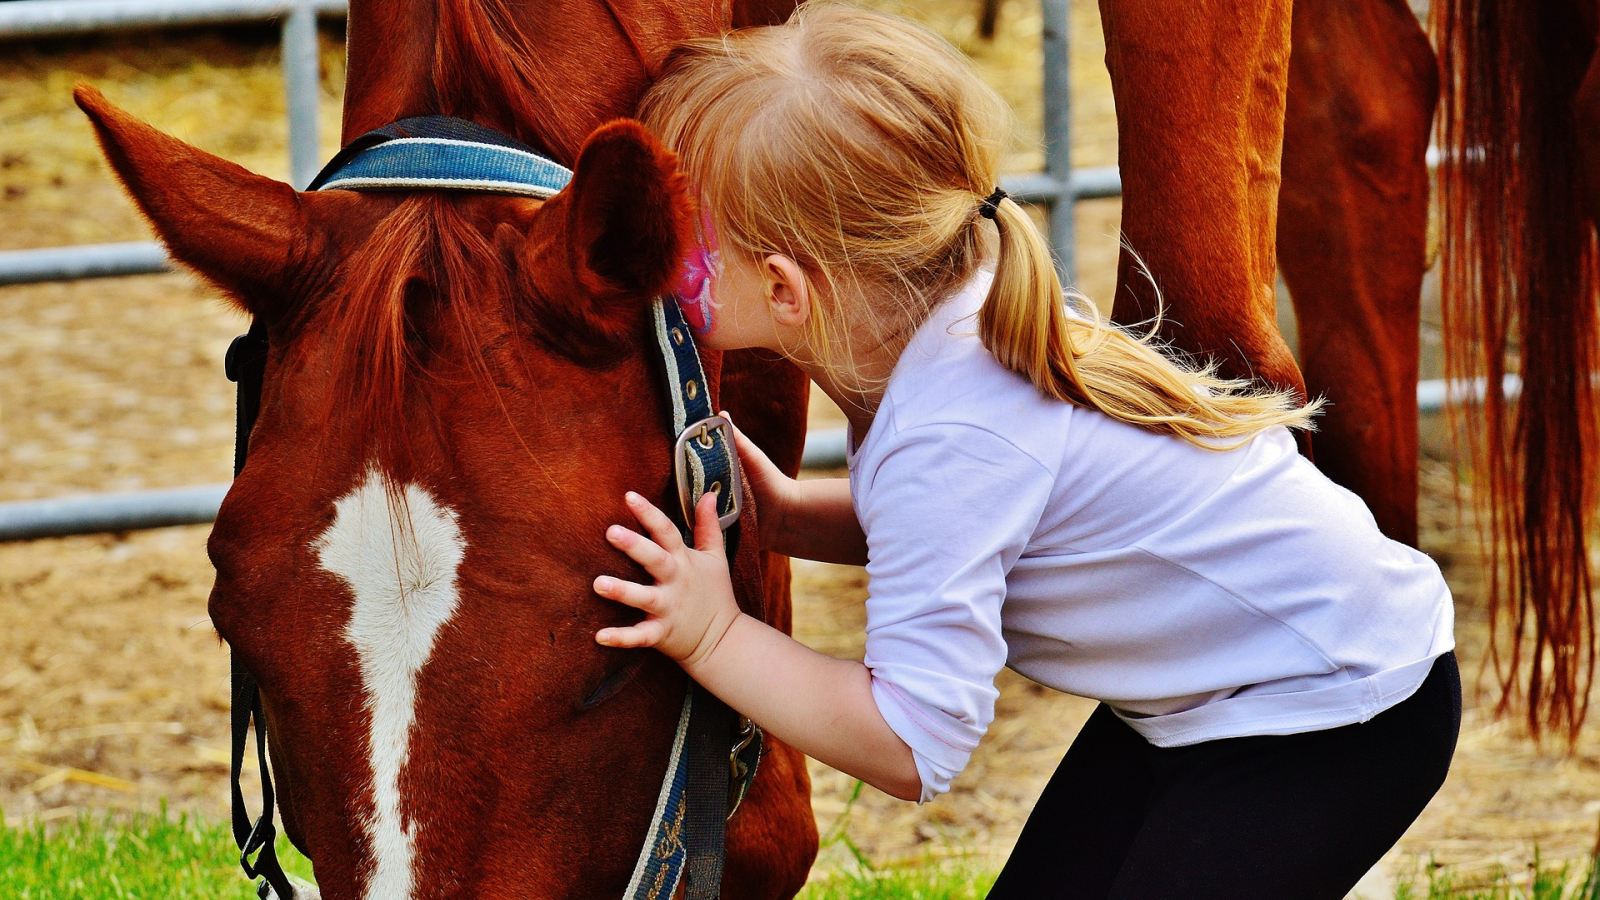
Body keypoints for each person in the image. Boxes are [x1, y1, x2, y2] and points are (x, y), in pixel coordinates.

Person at [589, 5, 1459, 897]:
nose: (660, 262)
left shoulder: (952, 430)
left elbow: (910, 740)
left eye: (681, 236)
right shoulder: (950, 317)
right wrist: (785, 516)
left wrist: (715, 634)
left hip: (1336, 711)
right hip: (1223, 691)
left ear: (783, 287)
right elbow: (975, 524)